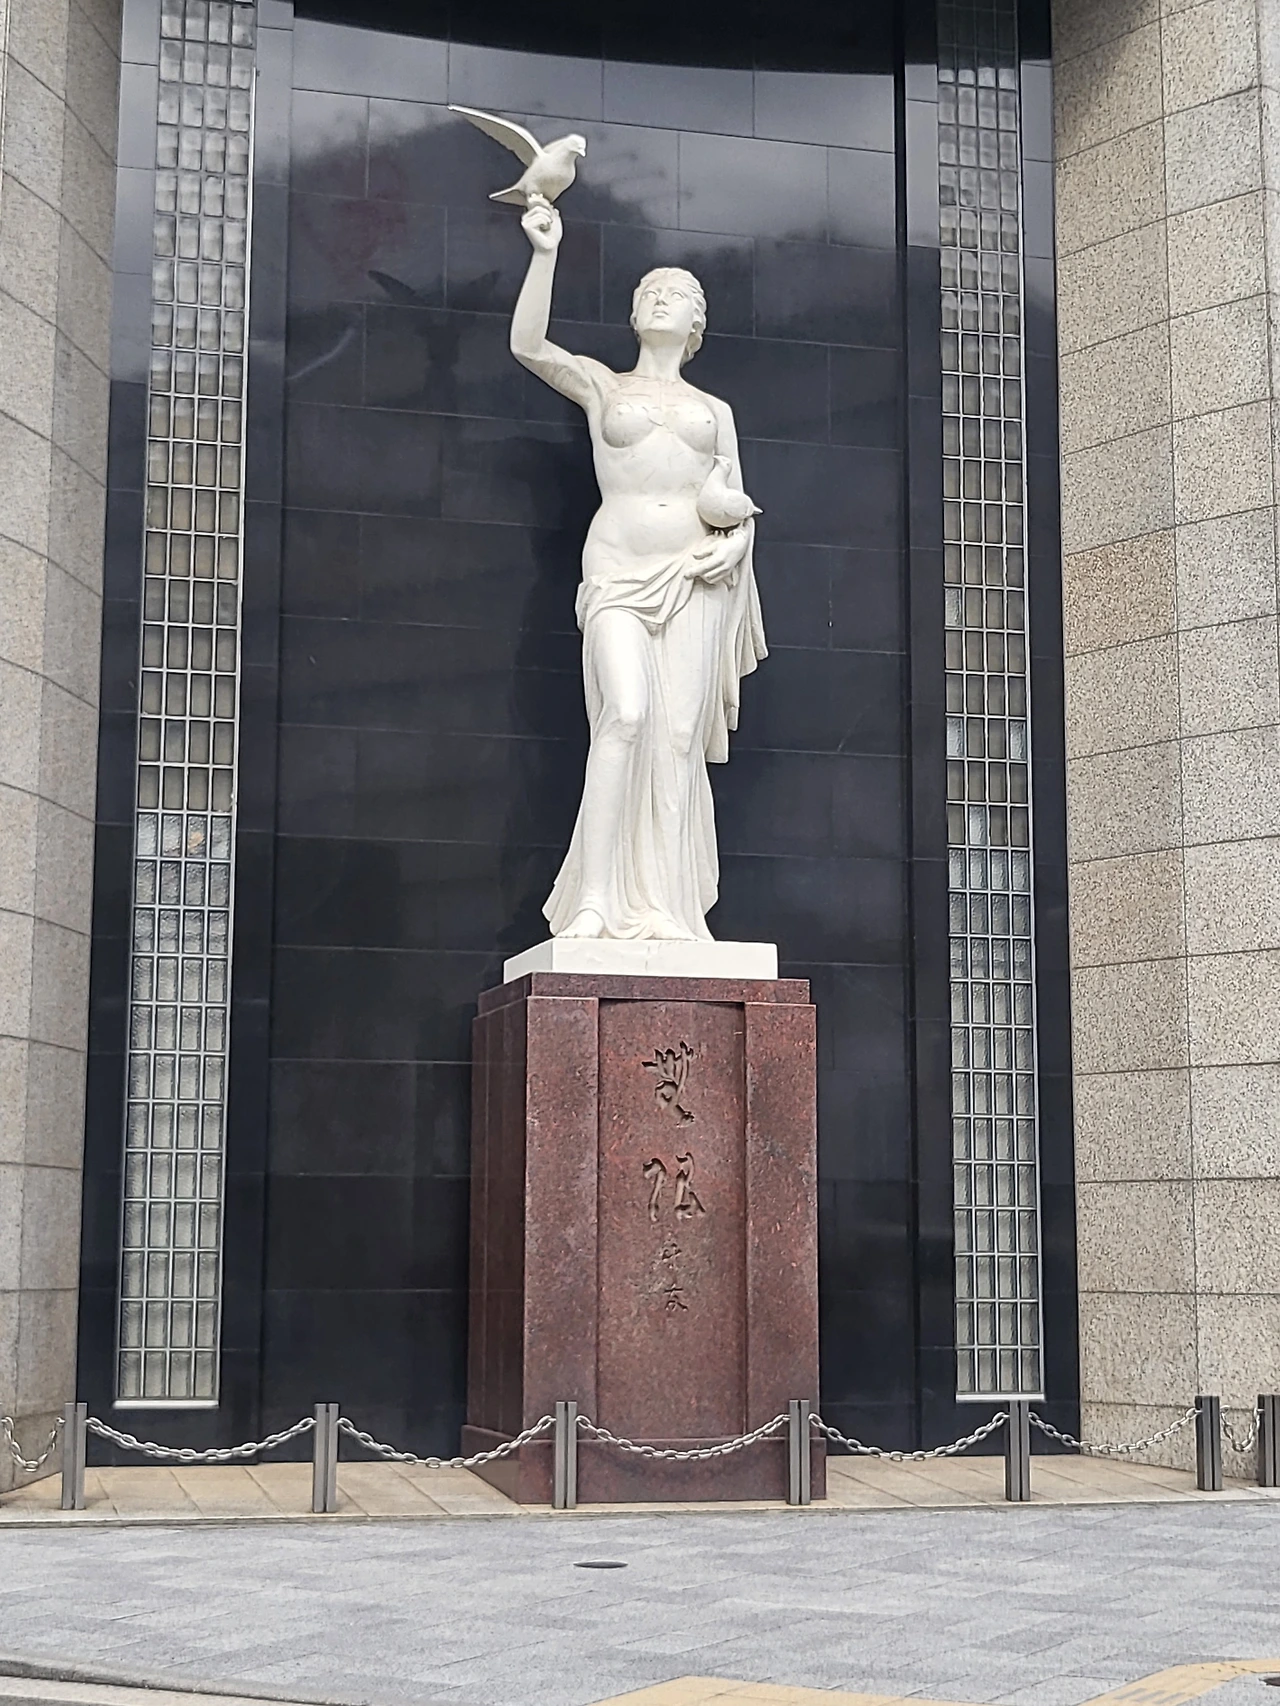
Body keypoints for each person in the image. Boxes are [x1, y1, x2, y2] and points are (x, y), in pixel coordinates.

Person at [510, 197, 767, 941]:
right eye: (651, 290)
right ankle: (593, 899)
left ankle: (665, 907)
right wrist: (545, 253)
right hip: (620, 570)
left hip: (695, 577)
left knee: (678, 740)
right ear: (633, 315)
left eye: (678, 294)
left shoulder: (715, 410)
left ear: (696, 325)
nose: (662, 297)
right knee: (623, 716)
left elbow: (733, 498)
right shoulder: (605, 386)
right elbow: (530, 345)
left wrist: (736, 544)